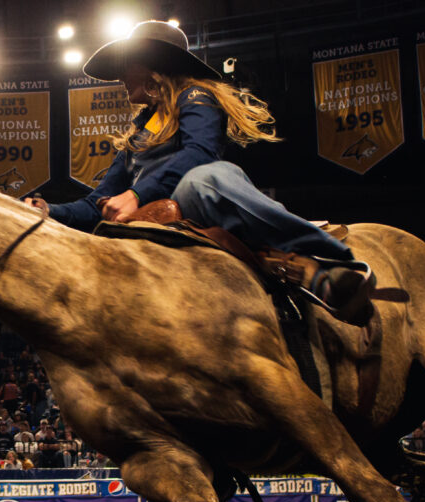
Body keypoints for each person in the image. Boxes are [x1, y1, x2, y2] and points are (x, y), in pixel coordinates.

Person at [25, 20, 374, 325]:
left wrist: (135, 195)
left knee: (205, 179)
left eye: (127, 65)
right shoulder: (136, 134)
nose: (120, 75)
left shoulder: (197, 96)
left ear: (152, 66)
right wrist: (48, 211)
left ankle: (325, 259)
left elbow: (199, 152)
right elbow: (93, 203)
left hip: (197, 201)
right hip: (152, 224)